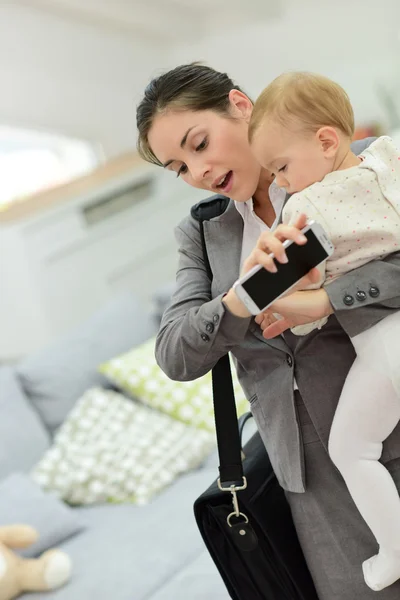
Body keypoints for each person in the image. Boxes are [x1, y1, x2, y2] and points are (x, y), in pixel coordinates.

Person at [136, 63, 400, 600]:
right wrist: (241, 294)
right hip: (308, 475)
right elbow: (176, 354)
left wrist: (328, 298)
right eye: (178, 166)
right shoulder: (203, 231)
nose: (199, 170)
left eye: (200, 143)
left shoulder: (352, 160)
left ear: (240, 105)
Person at [248, 71, 400, 592]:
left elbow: (316, 281)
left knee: (354, 447)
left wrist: (296, 296)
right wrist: (299, 301)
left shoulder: (310, 202)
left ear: (327, 141)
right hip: (373, 344)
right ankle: (395, 543)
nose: (280, 181)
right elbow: (316, 290)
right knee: (349, 447)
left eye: (282, 166)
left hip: (388, 334)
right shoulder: (378, 163)